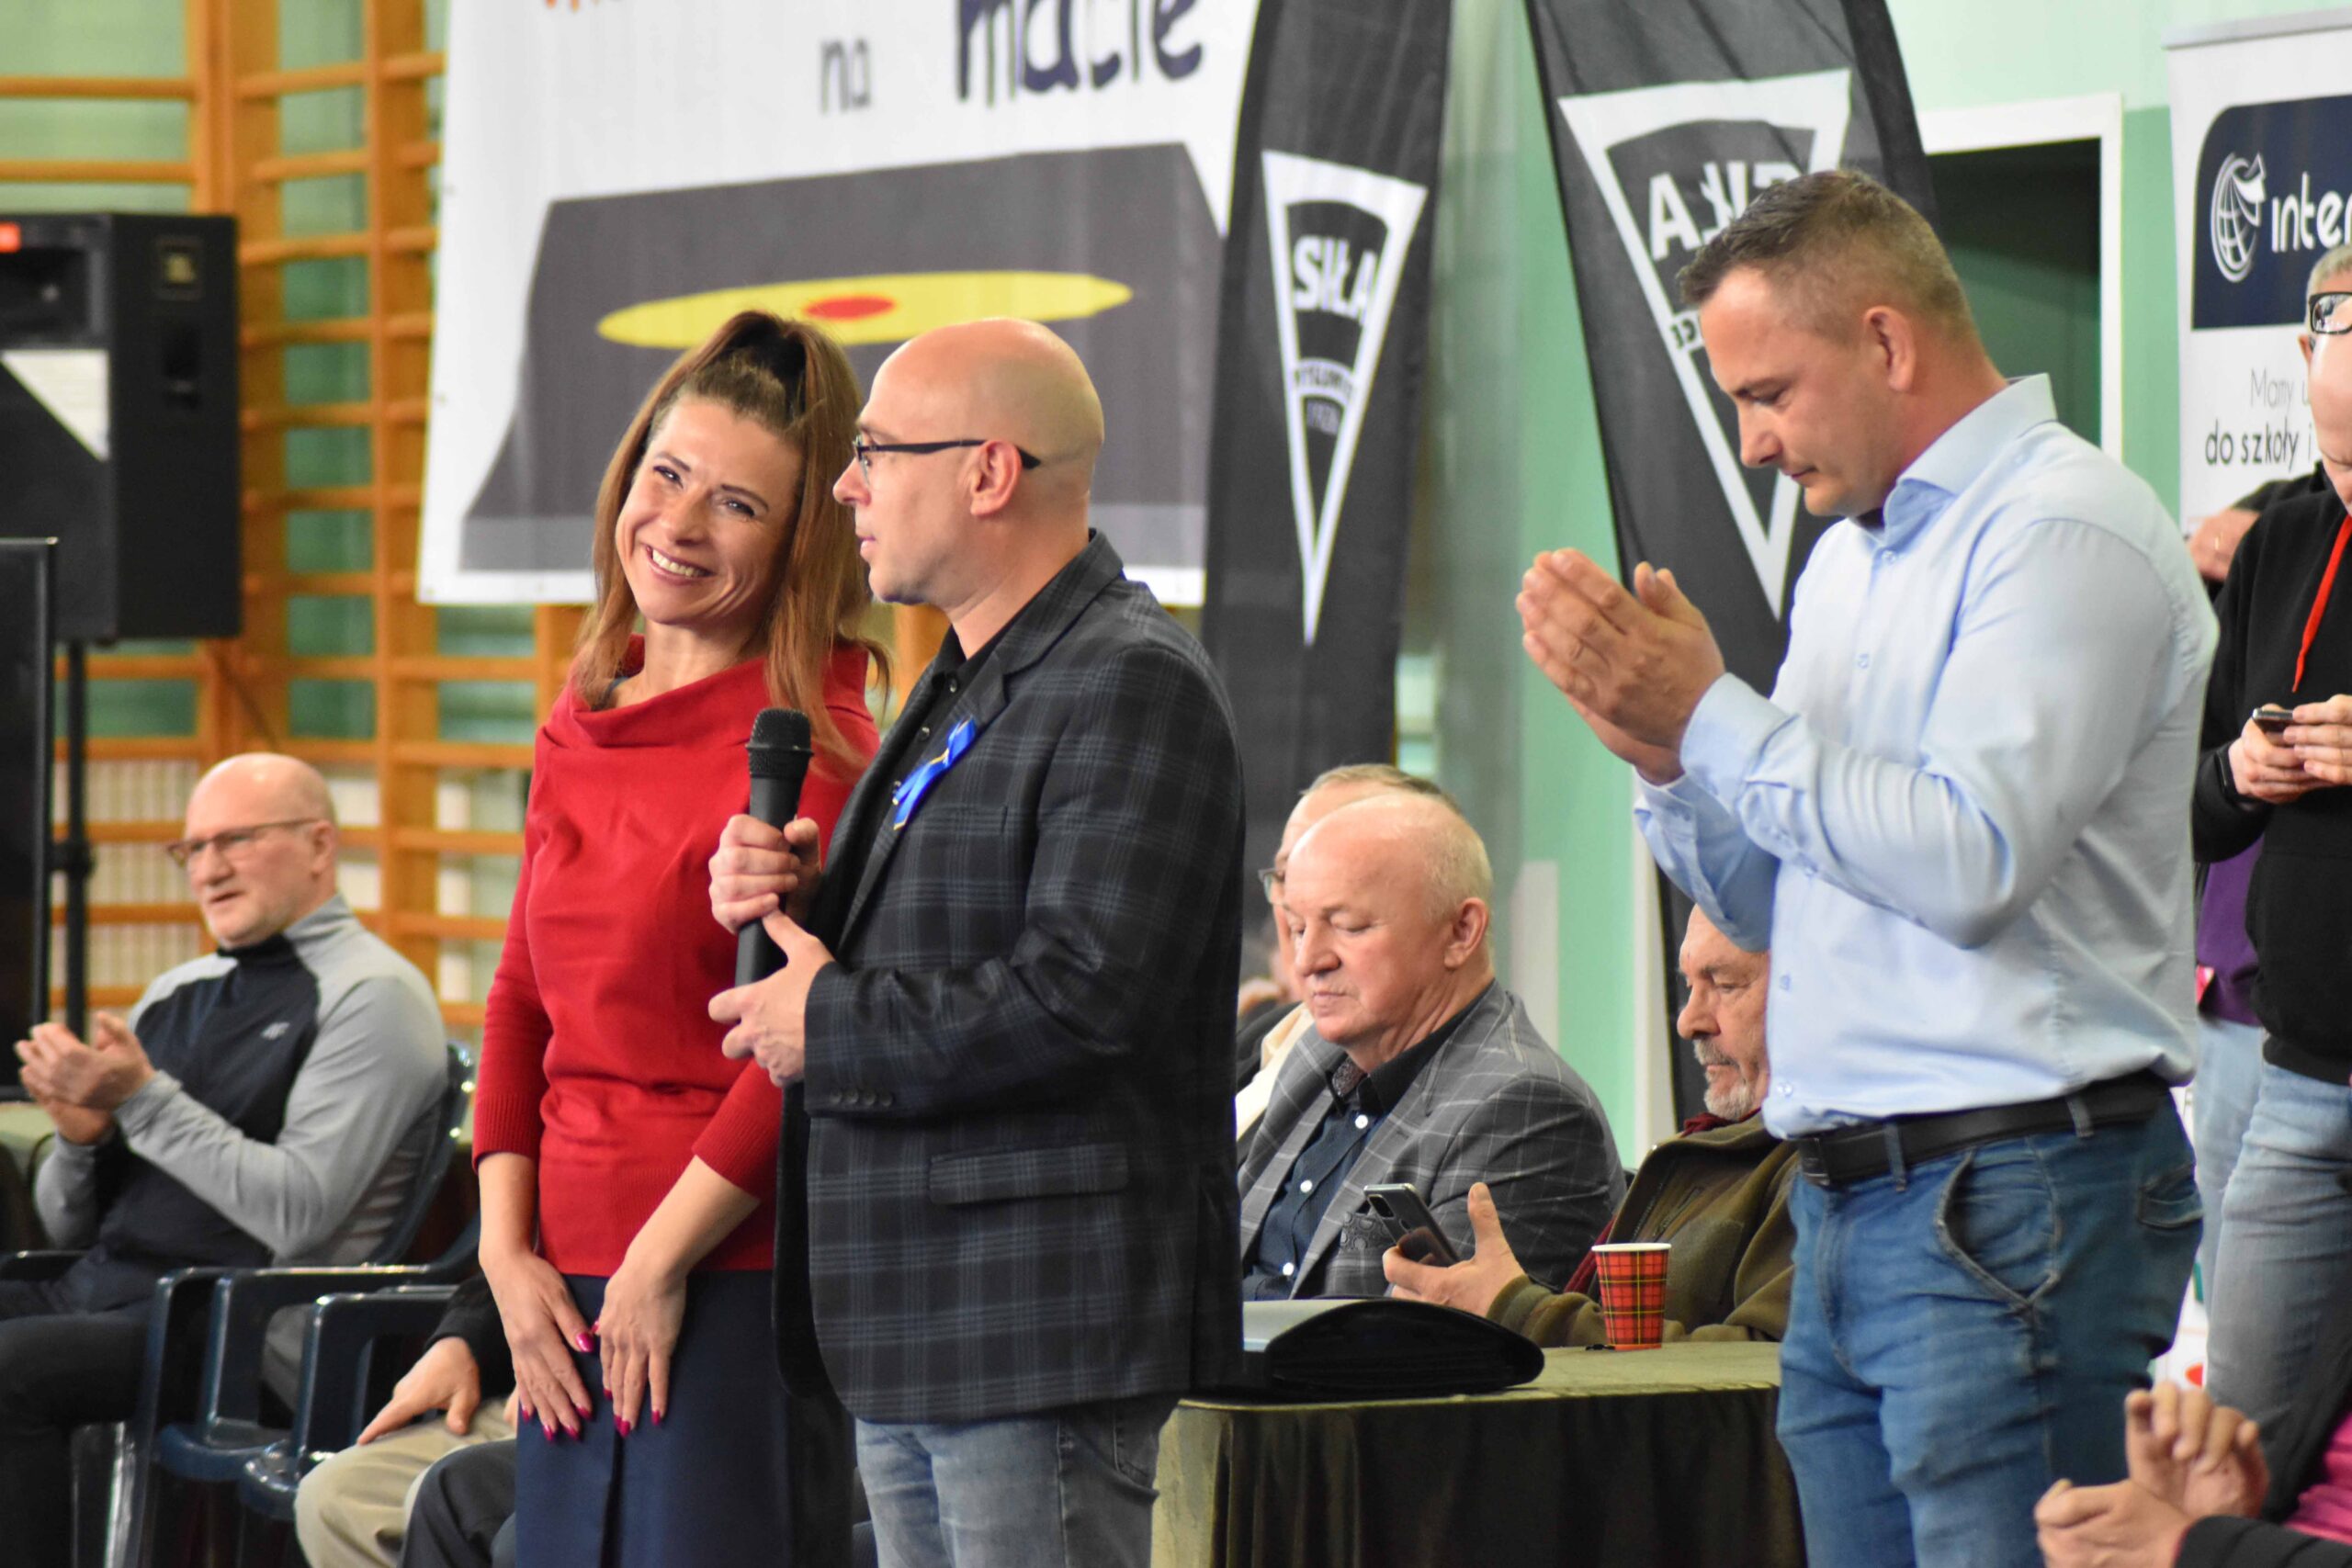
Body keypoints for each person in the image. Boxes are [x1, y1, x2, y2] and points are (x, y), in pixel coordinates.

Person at [1517, 168, 2211, 1567]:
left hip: (2008, 1191)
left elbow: (1969, 860)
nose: (1752, 440)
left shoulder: (2061, 526)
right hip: (1844, 1202)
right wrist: (1666, 756)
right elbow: (1773, 898)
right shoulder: (1848, 560)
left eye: (1769, 392)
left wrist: (1715, 714)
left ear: (1886, 342)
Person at [705, 318, 1244, 1568]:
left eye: (876, 452)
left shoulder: (1129, 679)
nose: (847, 488)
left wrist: (826, 1021)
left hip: (1034, 1324)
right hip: (920, 1319)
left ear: (989, 472)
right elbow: (966, 927)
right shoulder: (969, 671)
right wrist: (816, 897)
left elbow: (1086, 995)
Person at [472, 310, 882, 1567]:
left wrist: (656, 1261)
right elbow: (522, 991)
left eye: (737, 505)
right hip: (560, 1281)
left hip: (723, 1272)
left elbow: (796, 1051)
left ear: (802, 540)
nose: (680, 524)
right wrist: (504, 1251)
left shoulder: (818, 747)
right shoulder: (583, 705)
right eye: (668, 474)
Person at [6, 752, 446, 1568]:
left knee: (10, 1371)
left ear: (319, 845)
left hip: (233, 1324)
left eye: (236, 840)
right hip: (110, 1291)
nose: (208, 869)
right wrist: (81, 1139)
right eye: (194, 848)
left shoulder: (374, 995)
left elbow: (299, 1211)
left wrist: (144, 1099)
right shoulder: (177, 992)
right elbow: (72, 1226)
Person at [1236, 792, 1621, 1299]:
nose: (1308, 961)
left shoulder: (1526, 1107)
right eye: (1298, 928)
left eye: (1348, 927)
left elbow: (1421, 1337)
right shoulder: (1318, 1052)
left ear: (1461, 932)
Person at [2192, 256, 2352, 1444]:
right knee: (2236, 1456)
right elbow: (2192, 808)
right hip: (2296, 1083)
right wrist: (2239, 774)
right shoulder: (2281, 542)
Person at [1385, 907, 1795, 1346]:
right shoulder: (1705, 1148)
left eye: (1726, 985)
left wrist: (1516, 1311)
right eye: (1689, 986)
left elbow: (1767, 1368)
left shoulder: (1826, 1172)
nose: (1687, 1022)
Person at [1236, 763, 1450, 1134]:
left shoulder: (1402, 1076)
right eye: (1286, 877)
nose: (1298, 916)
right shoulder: (1265, 1034)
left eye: (1334, 882)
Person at [295, 1275, 514, 1568]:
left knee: (444, 1495)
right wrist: (463, 1337)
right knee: (332, 1496)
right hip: (519, 1401)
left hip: (572, 1407)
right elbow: (524, 1264)